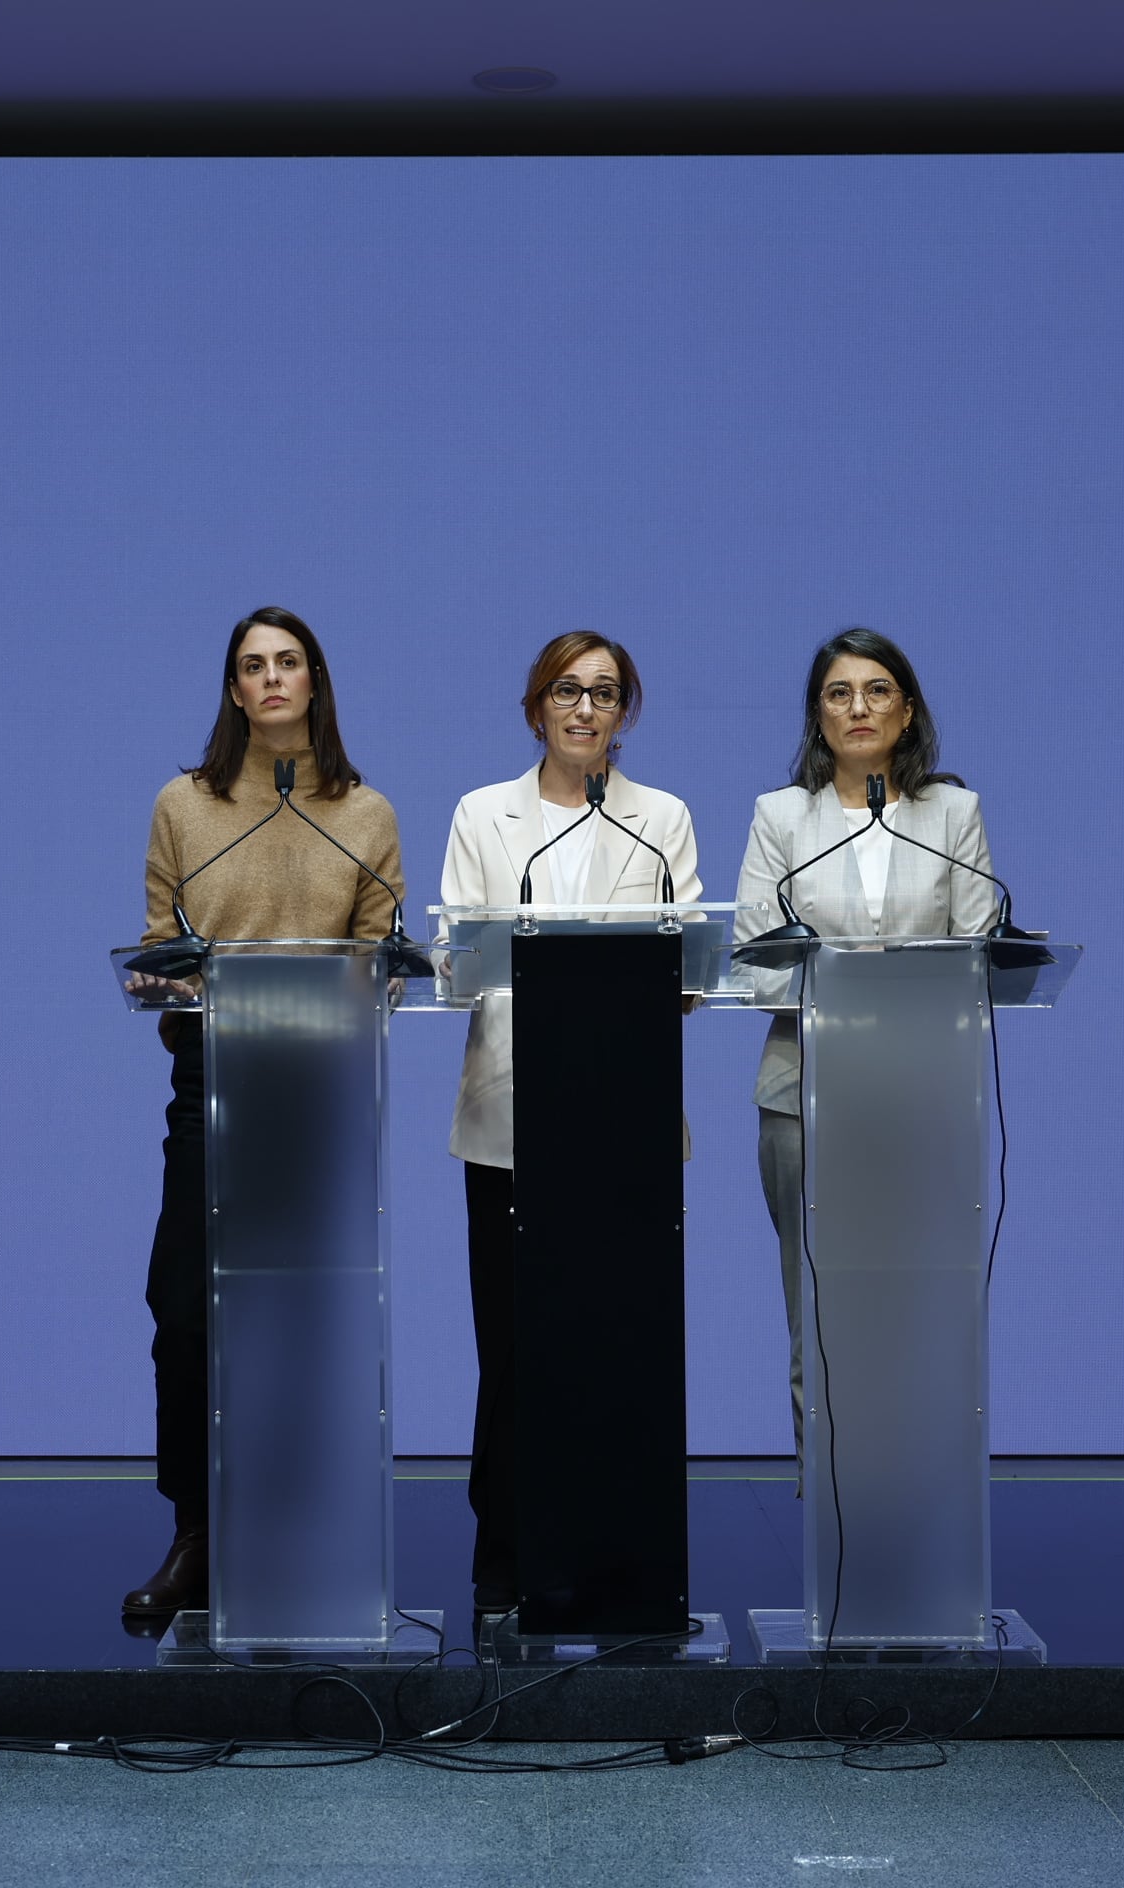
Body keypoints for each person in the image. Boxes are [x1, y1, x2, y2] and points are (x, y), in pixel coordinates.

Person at [125, 606, 403, 1622]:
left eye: (290, 663)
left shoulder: (365, 813)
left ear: (316, 683)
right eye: (254, 666)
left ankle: (298, 1522)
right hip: (213, 1084)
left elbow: (387, 964)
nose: (273, 679)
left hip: (321, 1091)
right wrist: (175, 983)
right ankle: (197, 1527)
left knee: (308, 1323)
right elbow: (161, 946)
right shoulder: (184, 804)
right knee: (184, 1310)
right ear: (235, 691)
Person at [437, 630, 701, 1614]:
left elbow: (684, 977)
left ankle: (622, 1559)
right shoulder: (483, 815)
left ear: (625, 712)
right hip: (510, 1125)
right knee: (514, 1351)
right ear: (535, 707)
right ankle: (506, 1555)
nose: (584, 709)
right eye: (565, 691)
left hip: (626, 1130)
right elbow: (460, 962)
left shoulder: (661, 820)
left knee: (618, 1345)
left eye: (604, 692)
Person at [733, 628, 1003, 1462]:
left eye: (878, 690)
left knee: (916, 1313)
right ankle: (831, 1536)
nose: (859, 708)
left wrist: (857, 977)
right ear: (818, 717)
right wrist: (874, 985)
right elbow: (755, 958)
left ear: (908, 710)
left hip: (924, 1099)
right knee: (816, 1313)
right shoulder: (781, 816)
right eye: (839, 693)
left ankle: (915, 1526)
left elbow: (978, 947)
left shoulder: (951, 813)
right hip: (804, 1097)